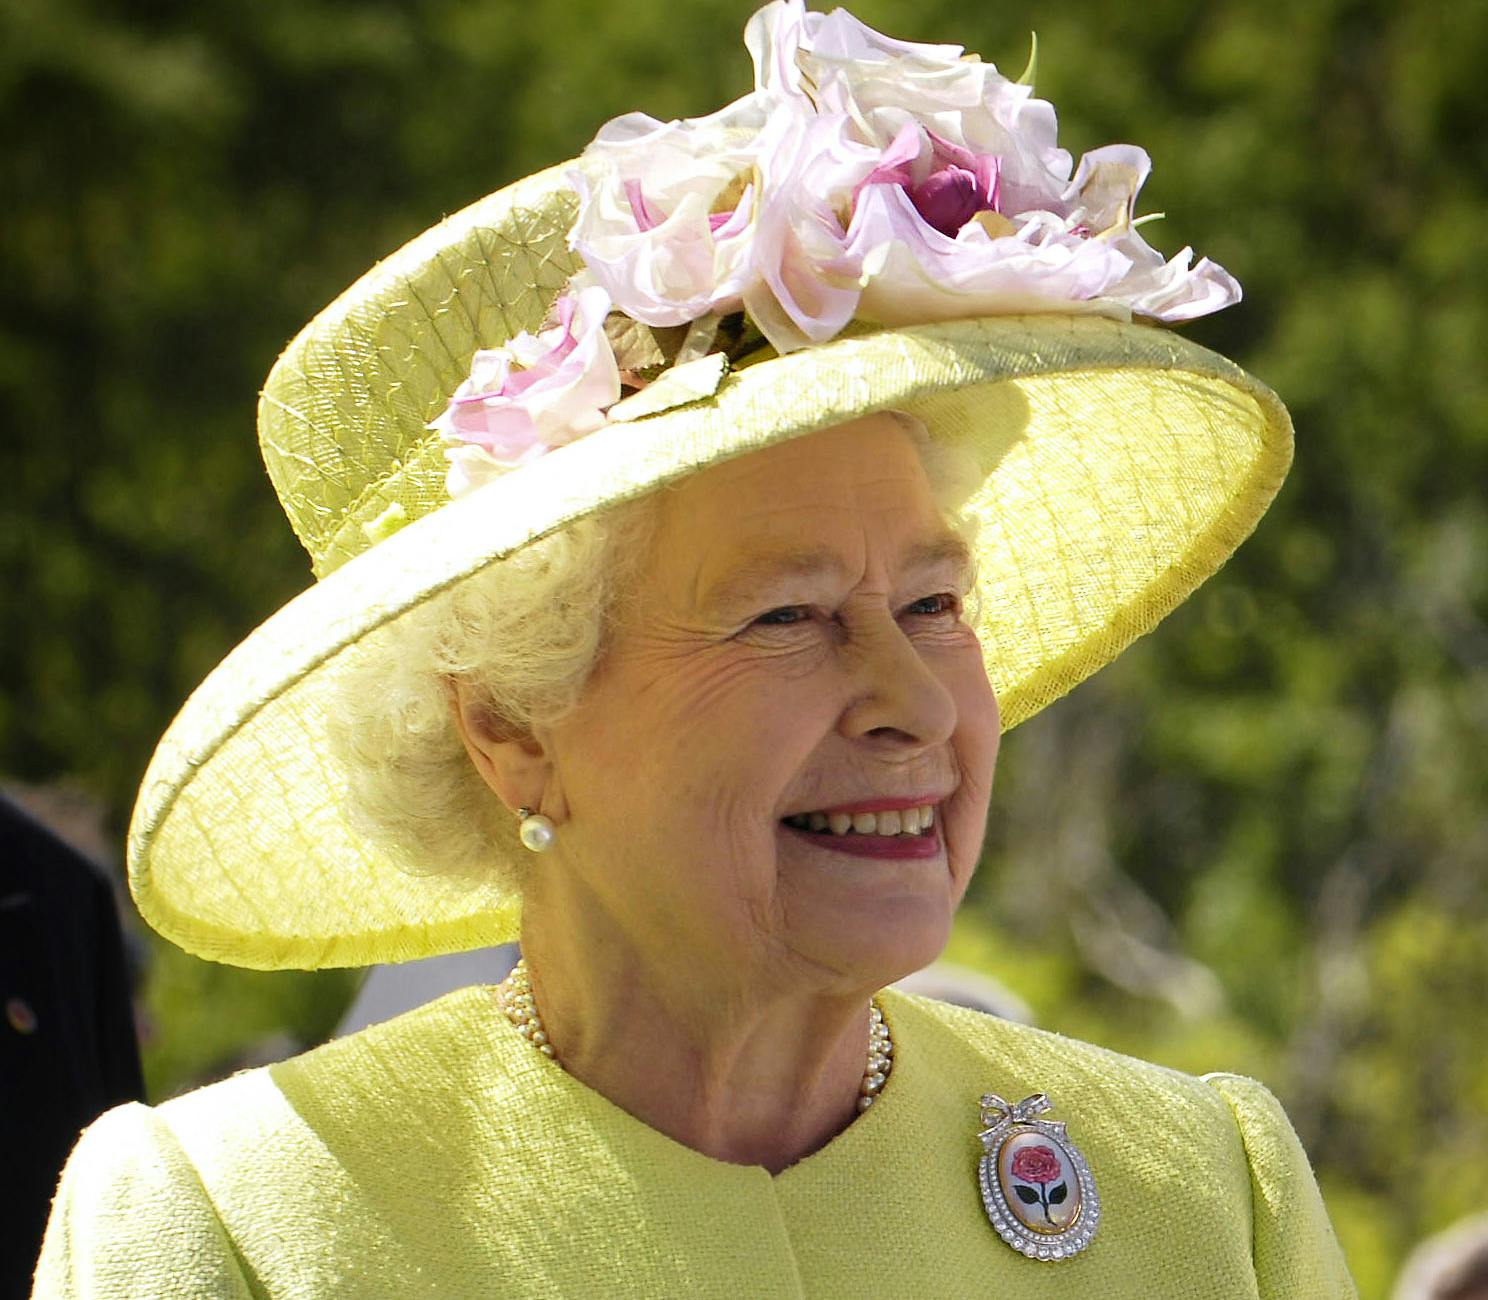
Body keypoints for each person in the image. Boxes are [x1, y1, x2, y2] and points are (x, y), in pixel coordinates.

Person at [34, 3, 1357, 1295]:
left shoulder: (1200, 1197)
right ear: (510, 724)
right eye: (789, 615)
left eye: (932, 607)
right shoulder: (248, 1219)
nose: (911, 703)